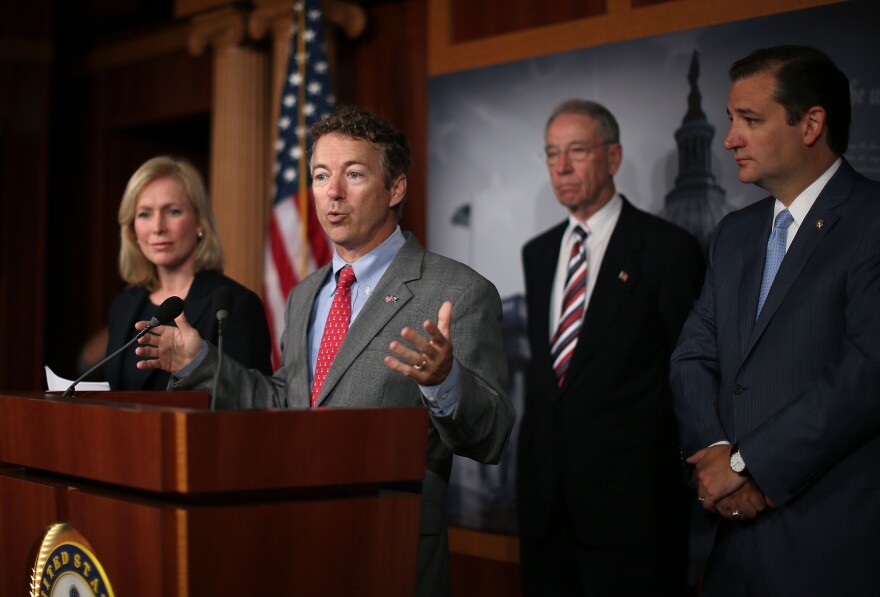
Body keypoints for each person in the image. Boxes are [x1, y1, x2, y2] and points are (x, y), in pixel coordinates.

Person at [133, 106, 514, 597]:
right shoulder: (305, 293)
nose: (332, 192)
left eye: (353, 174)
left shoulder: (457, 290)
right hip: (293, 540)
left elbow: (493, 436)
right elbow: (284, 403)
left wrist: (445, 381)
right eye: (320, 175)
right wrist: (200, 362)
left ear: (395, 188)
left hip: (387, 551)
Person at [671, 45, 880, 595]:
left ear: (811, 123)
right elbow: (693, 354)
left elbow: (866, 374)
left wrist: (749, 465)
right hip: (724, 541)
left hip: (825, 542)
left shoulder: (872, 222)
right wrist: (717, 455)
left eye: (750, 120)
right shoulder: (735, 234)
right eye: (730, 120)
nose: (730, 139)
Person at [517, 99, 703, 595]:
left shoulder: (667, 250)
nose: (561, 167)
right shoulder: (536, 254)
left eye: (577, 150)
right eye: (552, 153)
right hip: (545, 511)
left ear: (613, 157)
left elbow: (690, 375)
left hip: (634, 516)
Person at [107, 156, 272, 390]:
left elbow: (254, 401)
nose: (158, 227)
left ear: (200, 223)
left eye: (172, 211)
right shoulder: (123, 306)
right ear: (132, 229)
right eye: (144, 214)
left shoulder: (237, 305)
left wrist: (194, 363)